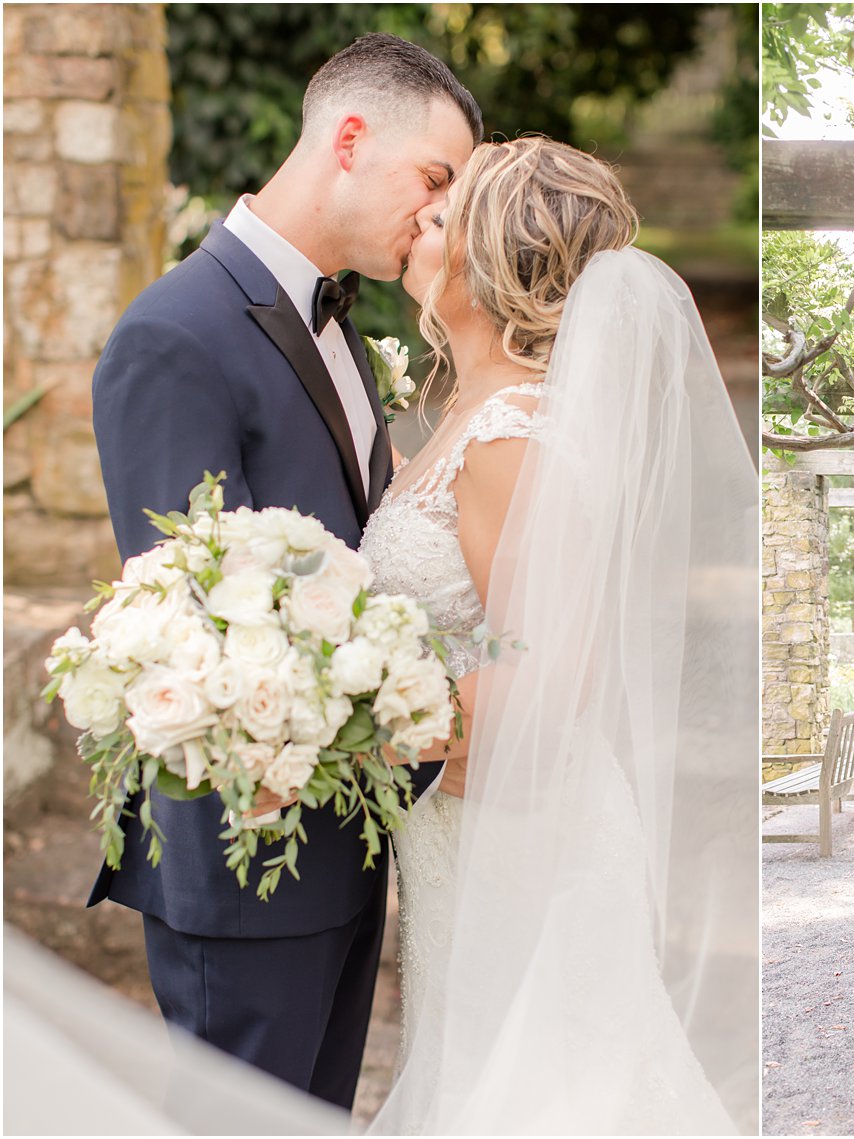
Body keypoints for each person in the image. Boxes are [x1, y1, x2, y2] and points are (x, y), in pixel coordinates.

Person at [89, 34, 480, 1109]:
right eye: (434, 180)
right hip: (245, 866)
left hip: (343, 851)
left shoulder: (342, 326)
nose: (440, 215)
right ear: (349, 140)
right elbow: (189, 616)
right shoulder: (175, 333)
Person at [358, 137, 758, 1132]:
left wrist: (356, 722)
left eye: (445, 217)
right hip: (465, 825)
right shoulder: (472, 414)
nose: (421, 223)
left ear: (488, 260)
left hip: (519, 834)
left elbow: (545, 674)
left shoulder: (509, 440)